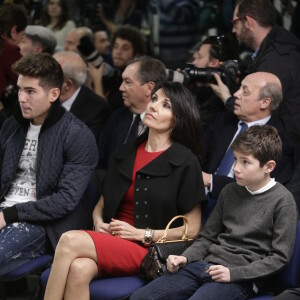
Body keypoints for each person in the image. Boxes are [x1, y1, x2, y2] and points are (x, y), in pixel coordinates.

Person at [44, 81, 207, 299]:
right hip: (111, 238)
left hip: (146, 249)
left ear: (177, 119)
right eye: (155, 99)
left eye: (166, 105)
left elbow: (193, 229)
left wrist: (142, 234)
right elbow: (101, 204)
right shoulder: (126, 152)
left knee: (69, 240)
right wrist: (99, 223)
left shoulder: (185, 161)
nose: (154, 106)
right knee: (79, 269)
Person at [131, 124, 299, 300]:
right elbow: (208, 238)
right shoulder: (229, 191)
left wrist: (233, 274)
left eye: (245, 162)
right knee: (140, 297)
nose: (236, 168)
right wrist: (186, 258)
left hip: (241, 278)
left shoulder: (283, 201)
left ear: (268, 166)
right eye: (235, 159)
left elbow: (279, 258)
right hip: (205, 265)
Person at [0, 53, 98, 276]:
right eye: (20, 89)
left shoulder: (78, 135)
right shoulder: (11, 125)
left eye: (30, 91)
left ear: (54, 94)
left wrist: (10, 215)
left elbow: (64, 201)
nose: (21, 98)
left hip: (44, 223)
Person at [201, 72, 295, 203]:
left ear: (264, 102)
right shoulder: (222, 121)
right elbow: (199, 155)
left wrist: (210, 181)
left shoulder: (280, 145)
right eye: (239, 88)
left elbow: (256, 190)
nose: (235, 94)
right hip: (202, 197)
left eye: (245, 92)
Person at [232, 0, 300, 161]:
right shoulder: (278, 46)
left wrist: (227, 98)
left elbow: (258, 110)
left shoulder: (274, 61)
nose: (233, 30)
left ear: (248, 22)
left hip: (286, 155)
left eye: (235, 23)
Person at [97, 55, 167, 170]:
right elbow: (99, 159)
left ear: (149, 88)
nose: (121, 88)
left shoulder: (165, 124)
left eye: (127, 82)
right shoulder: (116, 117)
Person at [89, 25, 146, 111]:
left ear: (136, 54)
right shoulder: (114, 76)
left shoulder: (134, 83)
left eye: (125, 48)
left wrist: (97, 81)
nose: (118, 52)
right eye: (116, 46)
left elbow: (103, 113)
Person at [188, 34, 240, 130]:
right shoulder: (197, 91)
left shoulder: (225, 106)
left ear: (214, 63)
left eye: (199, 57)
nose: (194, 63)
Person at [53, 51, 110, 137]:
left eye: (48, 77)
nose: (42, 82)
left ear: (67, 85)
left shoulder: (96, 110)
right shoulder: (41, 99)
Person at [0, 3, 27, 98]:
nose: (21, 39)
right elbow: (27, 82)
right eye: (22, 34)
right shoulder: (9, 51)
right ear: (14, 31)